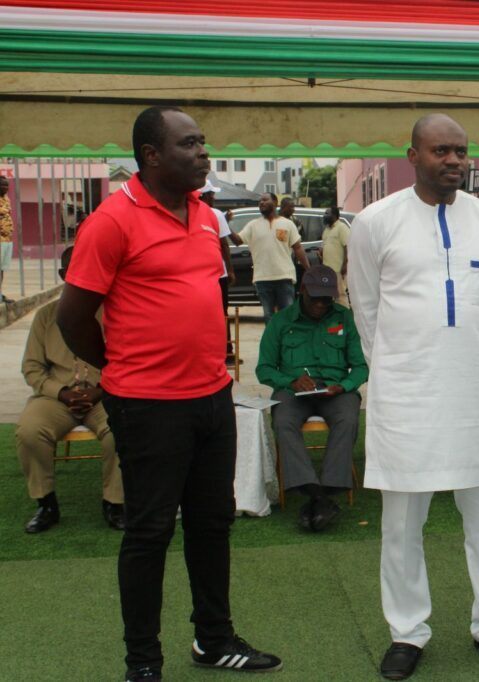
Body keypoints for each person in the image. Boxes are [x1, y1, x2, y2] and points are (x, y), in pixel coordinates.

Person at [56, 105, 281, 681]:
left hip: (212, 397)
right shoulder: (111, 221)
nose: (203, 153)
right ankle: (143, 661)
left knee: (212, 523)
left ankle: (214, 640)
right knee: (150, 531)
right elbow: (72, 317)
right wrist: (120, 365)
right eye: (189, 143)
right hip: (147, 405)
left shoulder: (206, 216)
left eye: (203, 141)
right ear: (151, 155)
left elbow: (214, 291)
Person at [348, 113, 479, 681]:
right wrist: (400, 367)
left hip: (476, 388)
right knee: (402, 521)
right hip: (406, 392)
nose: (454, 160)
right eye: (440, 151)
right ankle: (407, 631)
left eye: (460, 150)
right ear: (413, 156)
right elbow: (366, 309)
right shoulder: (375, 222)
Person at [17, 246, 124, 534]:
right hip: (56, 397)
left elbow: (129, 360)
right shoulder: (46, 316)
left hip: (105, 393)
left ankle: (115, 503)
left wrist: (100, 390)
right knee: (30, 431)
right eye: (73, 269)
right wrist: (62, 392)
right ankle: (46, 504)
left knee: (123, 427)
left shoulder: (117, 311)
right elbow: (32, 367)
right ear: (63, 274)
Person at [255, 265, 367, 532]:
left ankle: (324, 491)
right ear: (302, 290)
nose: (320, 304)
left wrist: (344, 385)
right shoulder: (281, 321)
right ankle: (317, 493)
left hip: (335, 390)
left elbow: (361, 367)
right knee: (283, 420)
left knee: (348, 418)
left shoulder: (344, 317)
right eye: (315, 298)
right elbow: (264, 369)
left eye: (326, 299)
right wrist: (290, 381)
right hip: (293, 391)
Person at [228, 192, 310, 324]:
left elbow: (298, 248)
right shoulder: (253, 225)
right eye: (260, 201)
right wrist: (225, 225)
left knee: (287, 315)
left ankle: (286, 338)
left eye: (265, 200)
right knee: (269, 317)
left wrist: (308, 269)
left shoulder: (287, 224)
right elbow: (237, 240)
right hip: (262, 279)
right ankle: (272, 338)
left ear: (275, 203)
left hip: (284, 277)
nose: (262, 202)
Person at [198, 179, 237, 360]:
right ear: (204, 195)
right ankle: (226, 351)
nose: (214, 197)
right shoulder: (215, 213)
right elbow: (224, 245)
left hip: (199, 275)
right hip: (218, 274)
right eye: (212, 194)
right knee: (222, 313)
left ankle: (206, 351)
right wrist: (230, 270)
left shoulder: (188, 212)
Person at [320, 206, 352, 307]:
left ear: (334, 215)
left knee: (340, 294)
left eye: (327, 213)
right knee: (330, 296)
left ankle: (344, 314)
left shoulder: (341, 228)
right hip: (327, 269)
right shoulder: (326, 230)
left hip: (338, 269)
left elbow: (348, 246)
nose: (324, 216)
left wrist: (345, 265)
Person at [0, 175, 13, 302]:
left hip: (7, 239)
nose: (6, 187)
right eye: (3, 185)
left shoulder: (6, 199)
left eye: (7, 185)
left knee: (2, 269)